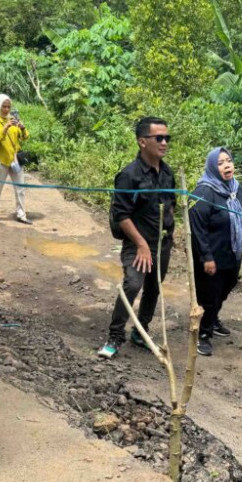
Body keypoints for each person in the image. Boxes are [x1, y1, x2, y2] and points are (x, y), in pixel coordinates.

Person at [98, 117, 176, 359]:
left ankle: (140, 331)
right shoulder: (129, 176)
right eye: (159, 138)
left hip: (162, 243)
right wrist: (141, 244)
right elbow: (121, 214)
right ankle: (115, 336)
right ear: (142, 142)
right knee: (133, 283)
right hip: (137, 243)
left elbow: (171, 204)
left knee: (154, 287)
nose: (164, 142)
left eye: (167, 138)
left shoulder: (168, 173)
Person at [189, 147, 242, 357]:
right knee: (209, 295)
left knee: (226, 288)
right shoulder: (204, 192)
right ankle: (203, 334)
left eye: (229, 161)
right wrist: (206, 257)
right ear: (212, 167)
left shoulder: (238, 189)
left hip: (232, 253)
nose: (227, 165)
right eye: (220, 163)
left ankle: (213, 318)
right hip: (211, 256)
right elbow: (197, 227)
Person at [0, 94, 31, 224]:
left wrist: (22, 128)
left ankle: (21, 214)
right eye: (4, 106)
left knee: (20, 188)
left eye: (8, 107)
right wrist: (5, 127)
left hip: (15, 160)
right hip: (1, 159)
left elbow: (25, 137)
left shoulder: (13, 119)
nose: (6, 109)